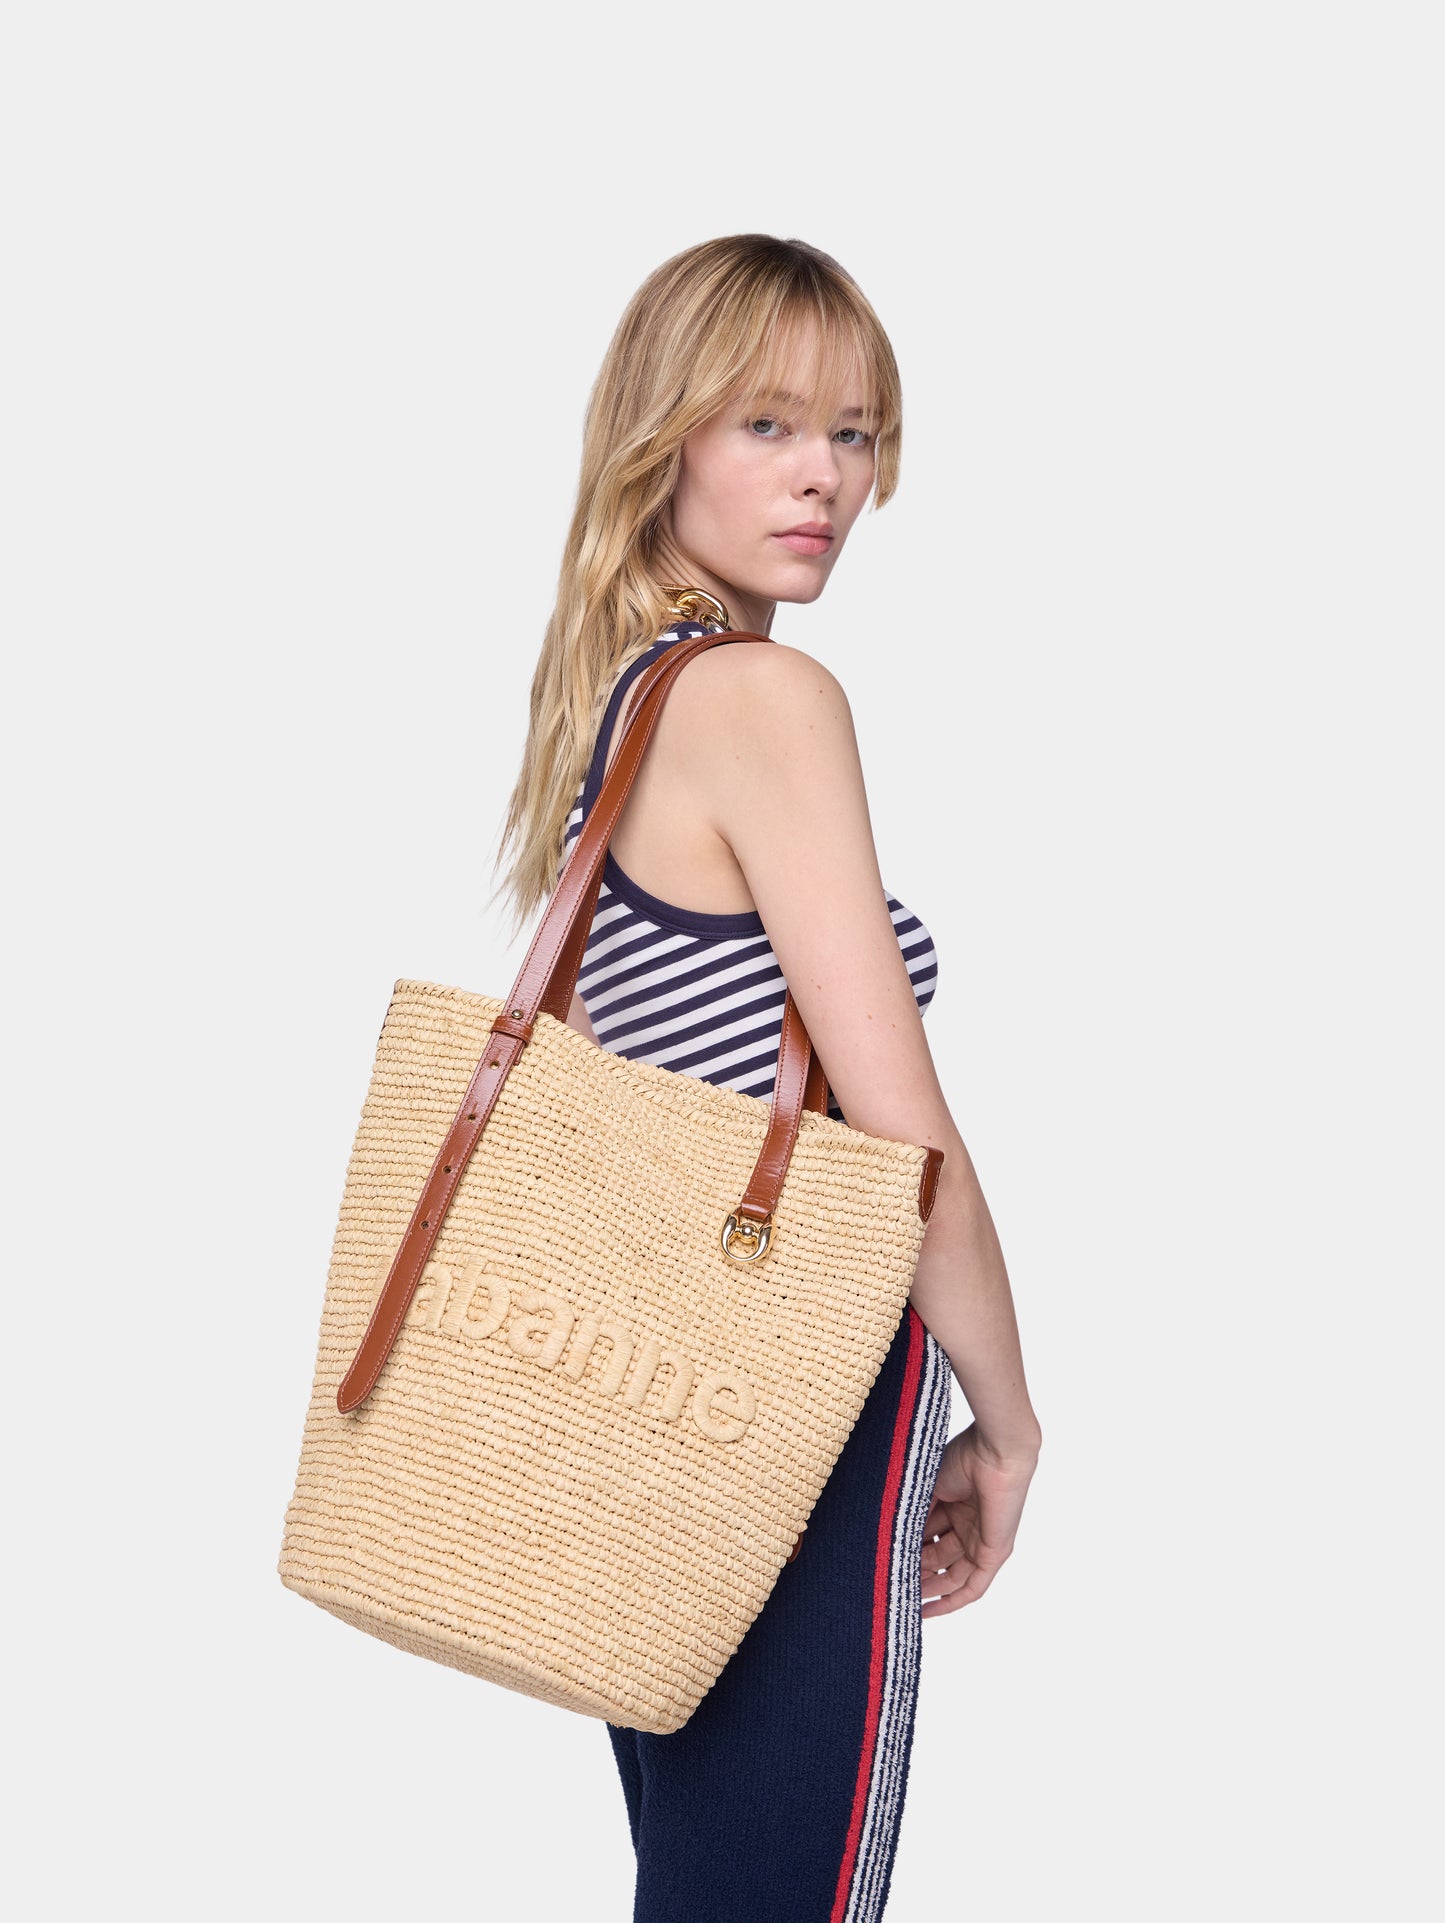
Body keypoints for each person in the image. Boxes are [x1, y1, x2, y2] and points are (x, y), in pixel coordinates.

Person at [495, 233, 1042, 1923]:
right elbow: (903, 1147)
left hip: (641, 1404)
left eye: (854, 434)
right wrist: (1006, 1422)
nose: (825, 478)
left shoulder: (620, 701)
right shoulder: (761, 696)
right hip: (792, 1397)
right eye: (768, 424)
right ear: (659, 435)